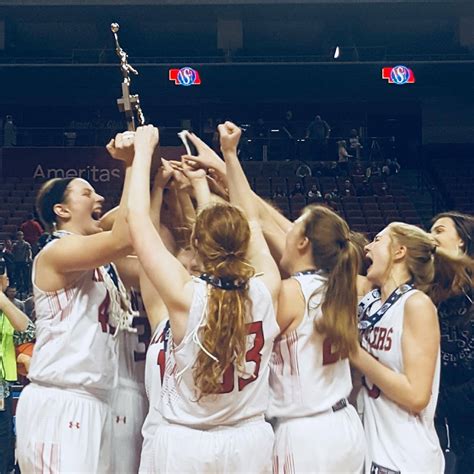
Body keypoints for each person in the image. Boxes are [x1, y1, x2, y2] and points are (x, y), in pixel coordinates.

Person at [127, 122, 280, 473]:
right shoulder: (266, 287)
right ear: (245, 246)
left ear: (196, 246)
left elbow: (138, 222)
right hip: (249, 441)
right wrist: (229, 156)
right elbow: (253, 221)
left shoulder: (184, 297)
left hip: (187, 445)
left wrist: (143, 152)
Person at [15, 129, 142, 473]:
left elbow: (123, 226)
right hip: (60, 399)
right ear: (61, 210)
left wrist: (153, 182)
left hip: (93, 399)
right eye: (87, 192)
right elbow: (127, 232)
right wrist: (134, 163)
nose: (97, 198)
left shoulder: (97, 261)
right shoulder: (58, 250)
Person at [350, 222, 463, 473]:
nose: (367, 246)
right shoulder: (369, 302)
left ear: (399, 251)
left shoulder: (416, 304)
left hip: (406, 458)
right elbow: (326, 272)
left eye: (377, 240)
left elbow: (416, 395)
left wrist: (355, 353)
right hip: (373, 450)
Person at [267, 205, 366, 473]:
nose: (286, 232)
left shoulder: (290, 293)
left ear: (303, 242)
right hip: (345, 425)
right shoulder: (341, 287)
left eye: (294, 226)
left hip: (304, 436)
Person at [430, 211, 474, 473]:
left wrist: (437, 402)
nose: (430, 236)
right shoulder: (426, 293)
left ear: (462, 241)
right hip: (438, 424)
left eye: (439, 230)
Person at [0, 272, 35, 474]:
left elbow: (29, 332)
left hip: (2, 396)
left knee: (4, 458)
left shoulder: (7, 311)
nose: (7, 279)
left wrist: (3, 302)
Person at [11, 231, 32, 296]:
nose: (20, 237)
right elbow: (13, 253)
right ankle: (18, 288)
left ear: (23, 236)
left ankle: (27, 289)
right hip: (17, 262)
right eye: (18, 235)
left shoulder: (26, 244)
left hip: (24, 262)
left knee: (26, 276)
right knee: (17, 276)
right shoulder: (15, 245)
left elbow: (29, 251)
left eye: (21, 235)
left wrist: (29, 258)